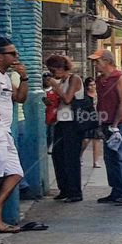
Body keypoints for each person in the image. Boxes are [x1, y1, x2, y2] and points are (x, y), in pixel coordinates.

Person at [0, 38, 30, 233]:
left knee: (16, 173)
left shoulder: (5, 76)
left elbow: (20, 98)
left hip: (6, 132)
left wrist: (24, 78)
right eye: (12, 54)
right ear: (0, 56)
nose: (16, 57)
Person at [89, 49, 122, 205]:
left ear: (107, 61)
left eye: (98, 61)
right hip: (107, 123)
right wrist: (101, 124)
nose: (95, 64)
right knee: (111, 158)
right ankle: (116, 190)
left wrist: (115, 124)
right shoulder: (100, 80)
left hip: (121, 124)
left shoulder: (119, 78)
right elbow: (100, 103)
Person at [44, 55, 84, 202]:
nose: (53, 73)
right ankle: (64, 188)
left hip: (73, 122)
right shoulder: (61, 81)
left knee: (71, 157)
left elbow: (67, 98)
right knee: (58, 155)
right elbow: (59, 100)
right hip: (61, 121)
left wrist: (55, 86)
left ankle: (75, 192)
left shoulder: (74, 79)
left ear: (62, 67)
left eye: (54, 70)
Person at [81, 77, 103, 168]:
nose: (93, 87)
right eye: (90, 85)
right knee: (86, 140)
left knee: (97, 140)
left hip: (98, 117)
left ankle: (96, 161)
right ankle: (80, 154)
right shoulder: (84, 96)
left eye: (94, 84)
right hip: (87, 119)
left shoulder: (99, 94)